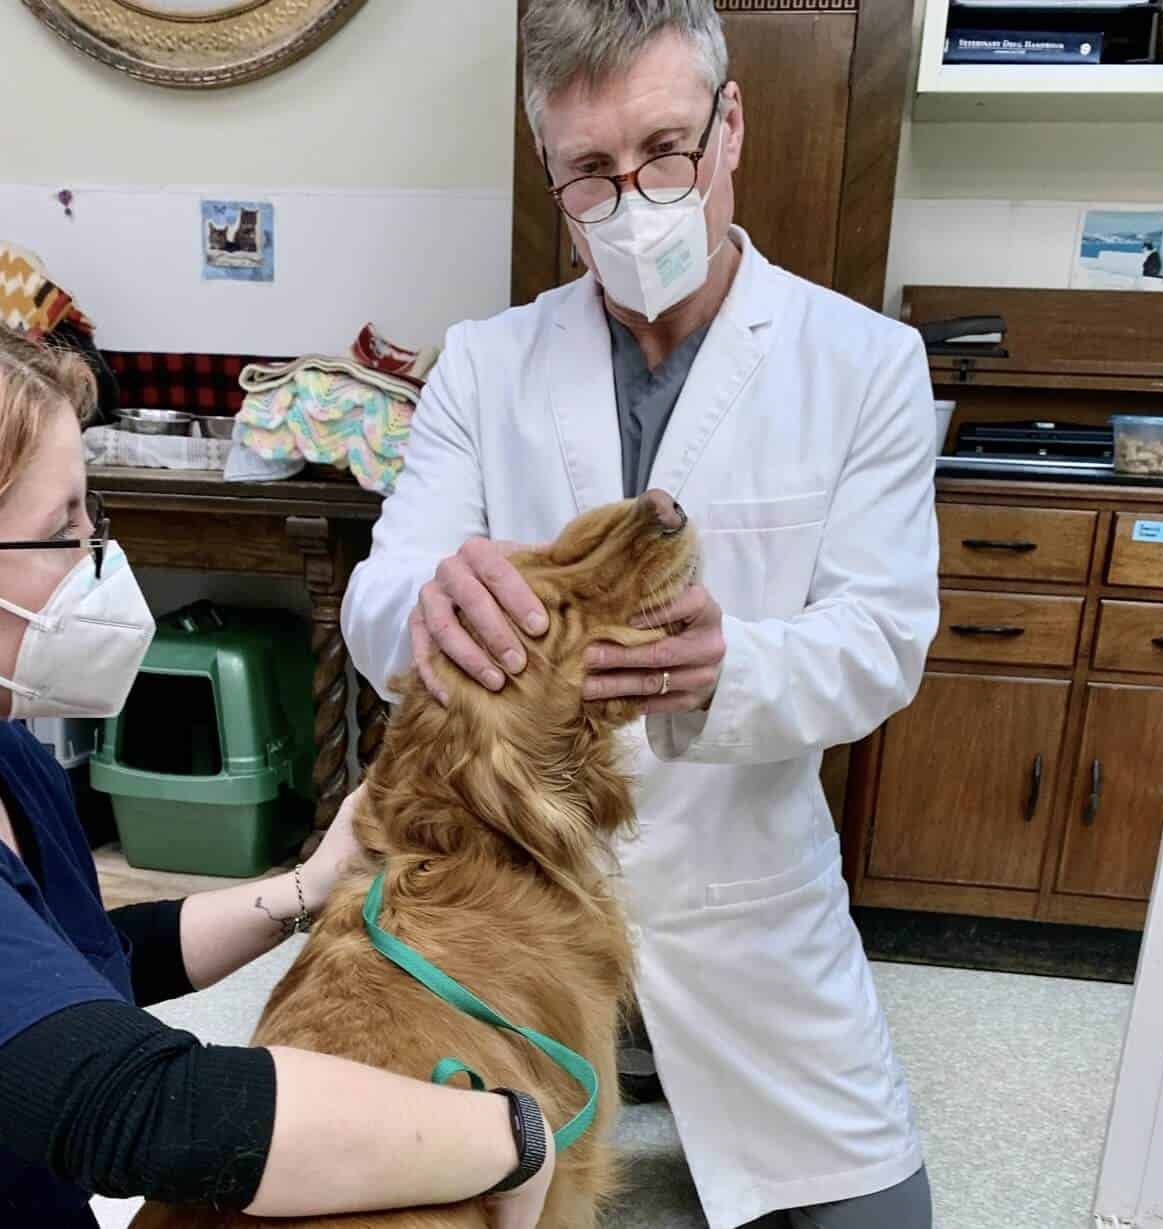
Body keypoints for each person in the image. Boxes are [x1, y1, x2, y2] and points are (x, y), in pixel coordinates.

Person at [0, 272, 554, 1228]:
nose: (100, 552)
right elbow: (147, 1110)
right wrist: (512, 1138)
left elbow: (69, 965)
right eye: (62, 531)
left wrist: (307, 886)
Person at [340, 3, 938, 1227]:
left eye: (666, 151)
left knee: (881, 1220)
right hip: (504, 892)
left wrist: (733, 667)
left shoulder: (862, 361)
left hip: (742, 884)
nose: (636, 199)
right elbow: (379, 597)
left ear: (731, 129)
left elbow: (881, 641)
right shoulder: (483, 362)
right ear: (554, 180)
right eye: (592, 174)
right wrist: (427, 605)